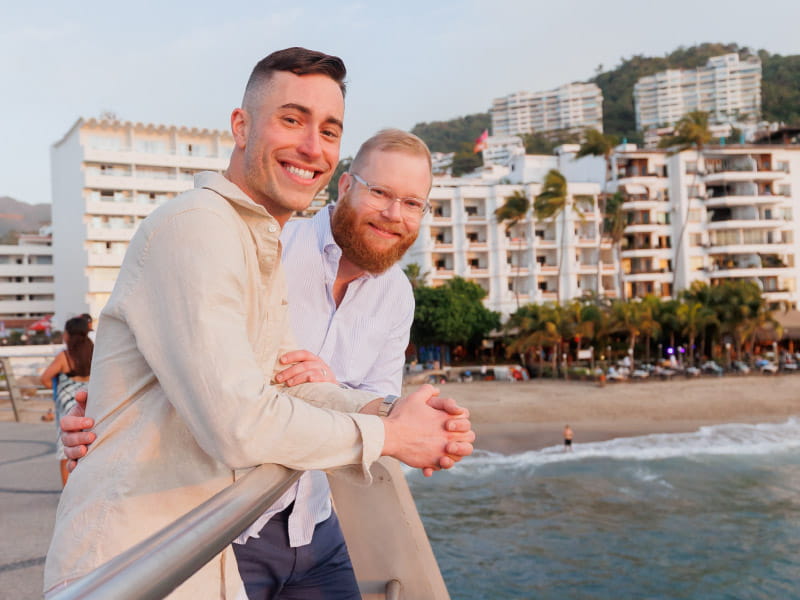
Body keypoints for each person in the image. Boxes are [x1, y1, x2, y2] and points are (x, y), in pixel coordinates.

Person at [44, 47, 474, 600]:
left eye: (328, 129)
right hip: (136, 563)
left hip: (210, 548)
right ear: (241, 126)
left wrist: (396, 414)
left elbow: (282, 373)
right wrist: (391, 434)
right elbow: (239, 423)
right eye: (291, 119)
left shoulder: (255, 239)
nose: (311, 146)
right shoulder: (199, 228)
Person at [40, 316, 93, 485]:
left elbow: (45, 378)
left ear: (69, 334)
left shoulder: (65, 356)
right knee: (89, 447)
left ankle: (67, 492)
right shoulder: (95, 351)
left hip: (68, 408)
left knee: (66, 453)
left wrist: (59, 390)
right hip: (89, 402)